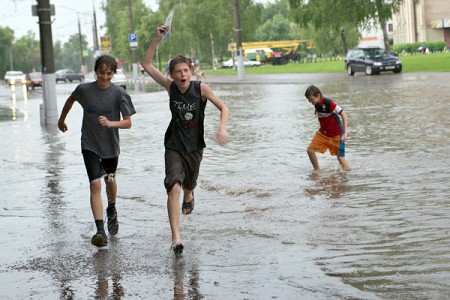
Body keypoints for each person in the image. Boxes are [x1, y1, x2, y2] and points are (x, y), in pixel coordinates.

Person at [141, 25, 229, 255]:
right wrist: (156, 40)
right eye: (177, 71)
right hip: (173, 145)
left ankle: (190, 192)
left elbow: (224, 107)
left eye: (185, 71)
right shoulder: (170, 87)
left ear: (191, 71)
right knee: (174, 187)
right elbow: (146, 65)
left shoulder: (201, 89)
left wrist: (221, 129)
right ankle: (176, 239)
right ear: (171, 74)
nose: (182, 75)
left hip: (195, 147)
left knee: (188, 185)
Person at [58, 55, 136, 247]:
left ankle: (112, 208)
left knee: (109, 180)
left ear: (113, 73)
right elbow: (70, 100)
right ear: (96, 72)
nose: (105, 77)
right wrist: (61, 120)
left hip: (110, 146)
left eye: (109, 73)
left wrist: (111, 123)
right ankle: (100, 231)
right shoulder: (84, 89)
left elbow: (128, 122)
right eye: (101, 73)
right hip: (90, 144)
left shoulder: (119, 94)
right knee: (95, 185)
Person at [304, 85, 350, 171]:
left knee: (340, 158)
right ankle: (317, 171)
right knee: (310, 150)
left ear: (318, 96)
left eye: (312, 99)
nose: (311, 102)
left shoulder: (329, 103)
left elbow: (343, 114)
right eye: (309, 100)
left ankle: (348, 174)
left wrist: (344, 133)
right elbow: (320, 110)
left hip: (336, 134)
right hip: (323, 133)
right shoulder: (316, 103)